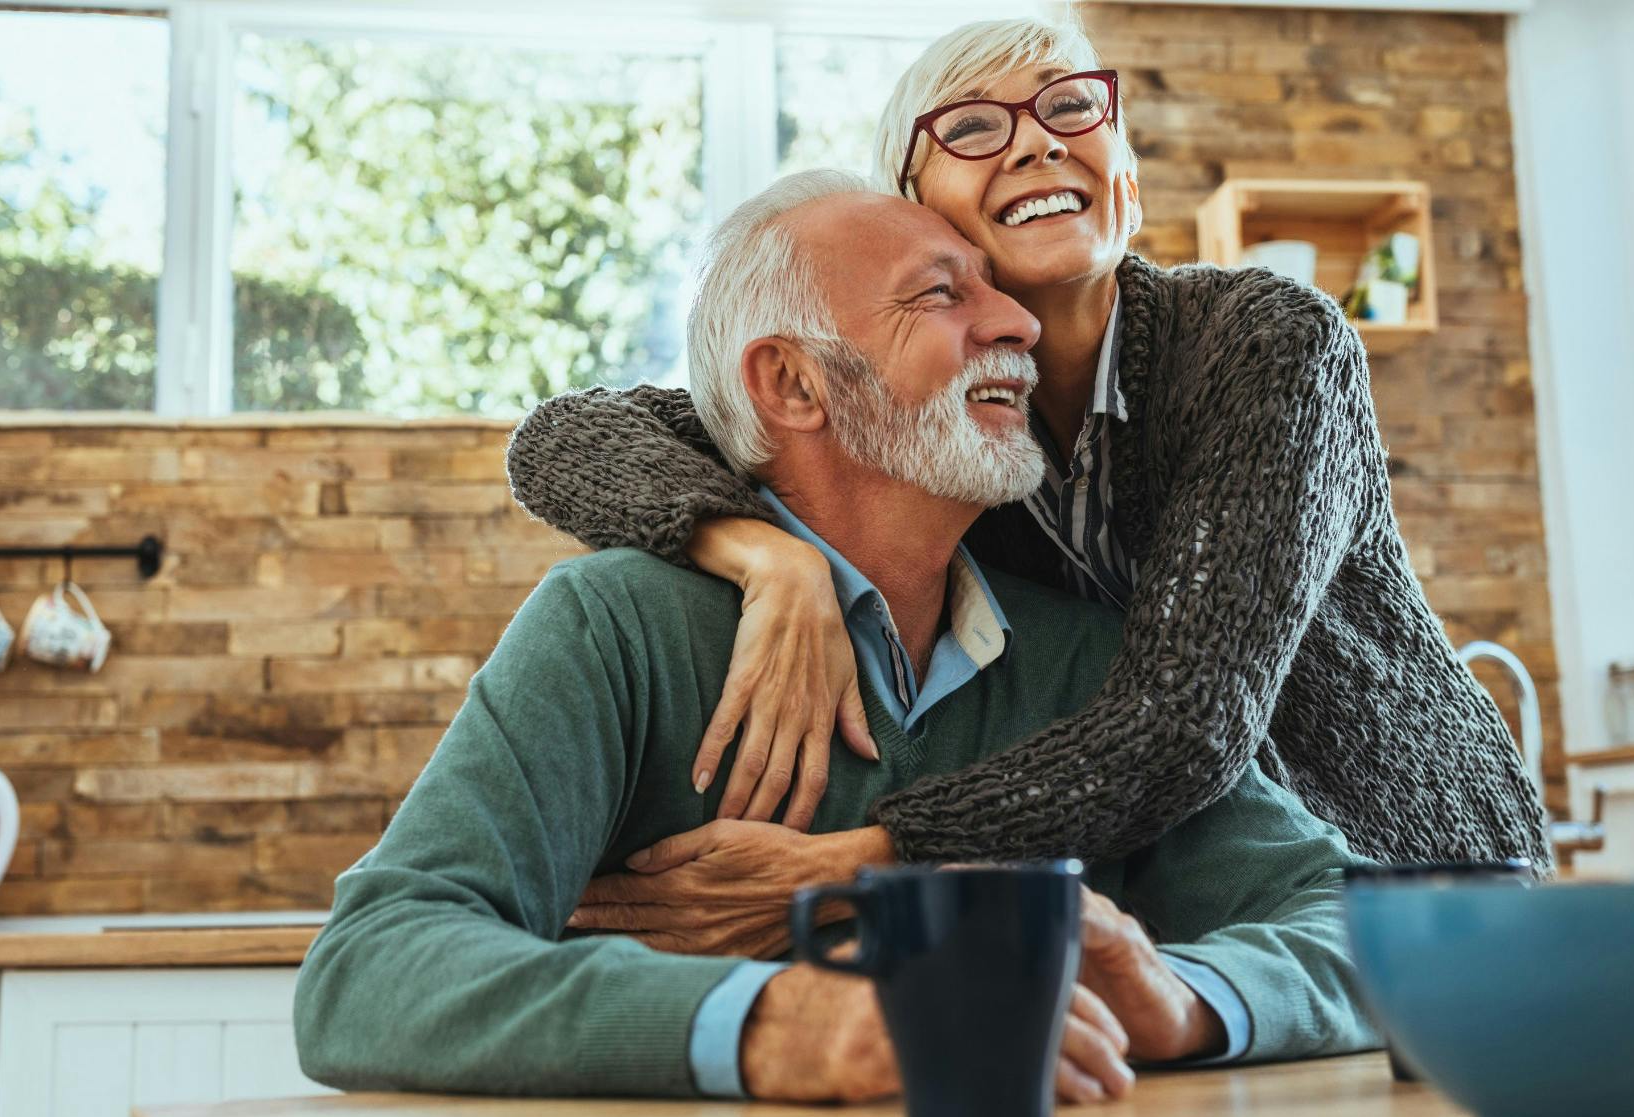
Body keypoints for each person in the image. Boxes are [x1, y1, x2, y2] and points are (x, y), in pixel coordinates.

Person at [294, 171, 1377, 1103]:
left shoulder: (1088, 662)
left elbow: (1356, 928)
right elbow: (372, 969)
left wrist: (1181, 999)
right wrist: (781, 1023)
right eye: (942, 295)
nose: (1017, 324)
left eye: (996, 291)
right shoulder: (615, 627)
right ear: (792, 383)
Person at [505, 15, 1549, 957]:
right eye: (970, 127)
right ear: (917, 217)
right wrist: (762, 554)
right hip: (1195, 917)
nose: (1039, 140)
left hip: (1412, 876)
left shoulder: (1265, 344)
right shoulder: (930, 424)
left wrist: (859, 860)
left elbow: (1184, 724)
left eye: (1067, 107)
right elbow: (566, 436)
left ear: (1125, 179)